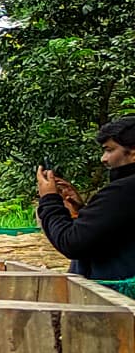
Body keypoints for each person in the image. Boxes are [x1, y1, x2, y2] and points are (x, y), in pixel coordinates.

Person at [37, 116, 135, 283]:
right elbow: (114, 234)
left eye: (110, 150)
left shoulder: (124, 191)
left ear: (133, 152)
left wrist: (49, 200)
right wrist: (82, 211)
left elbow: (72, 242)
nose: (103, 158)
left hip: (116, 301)